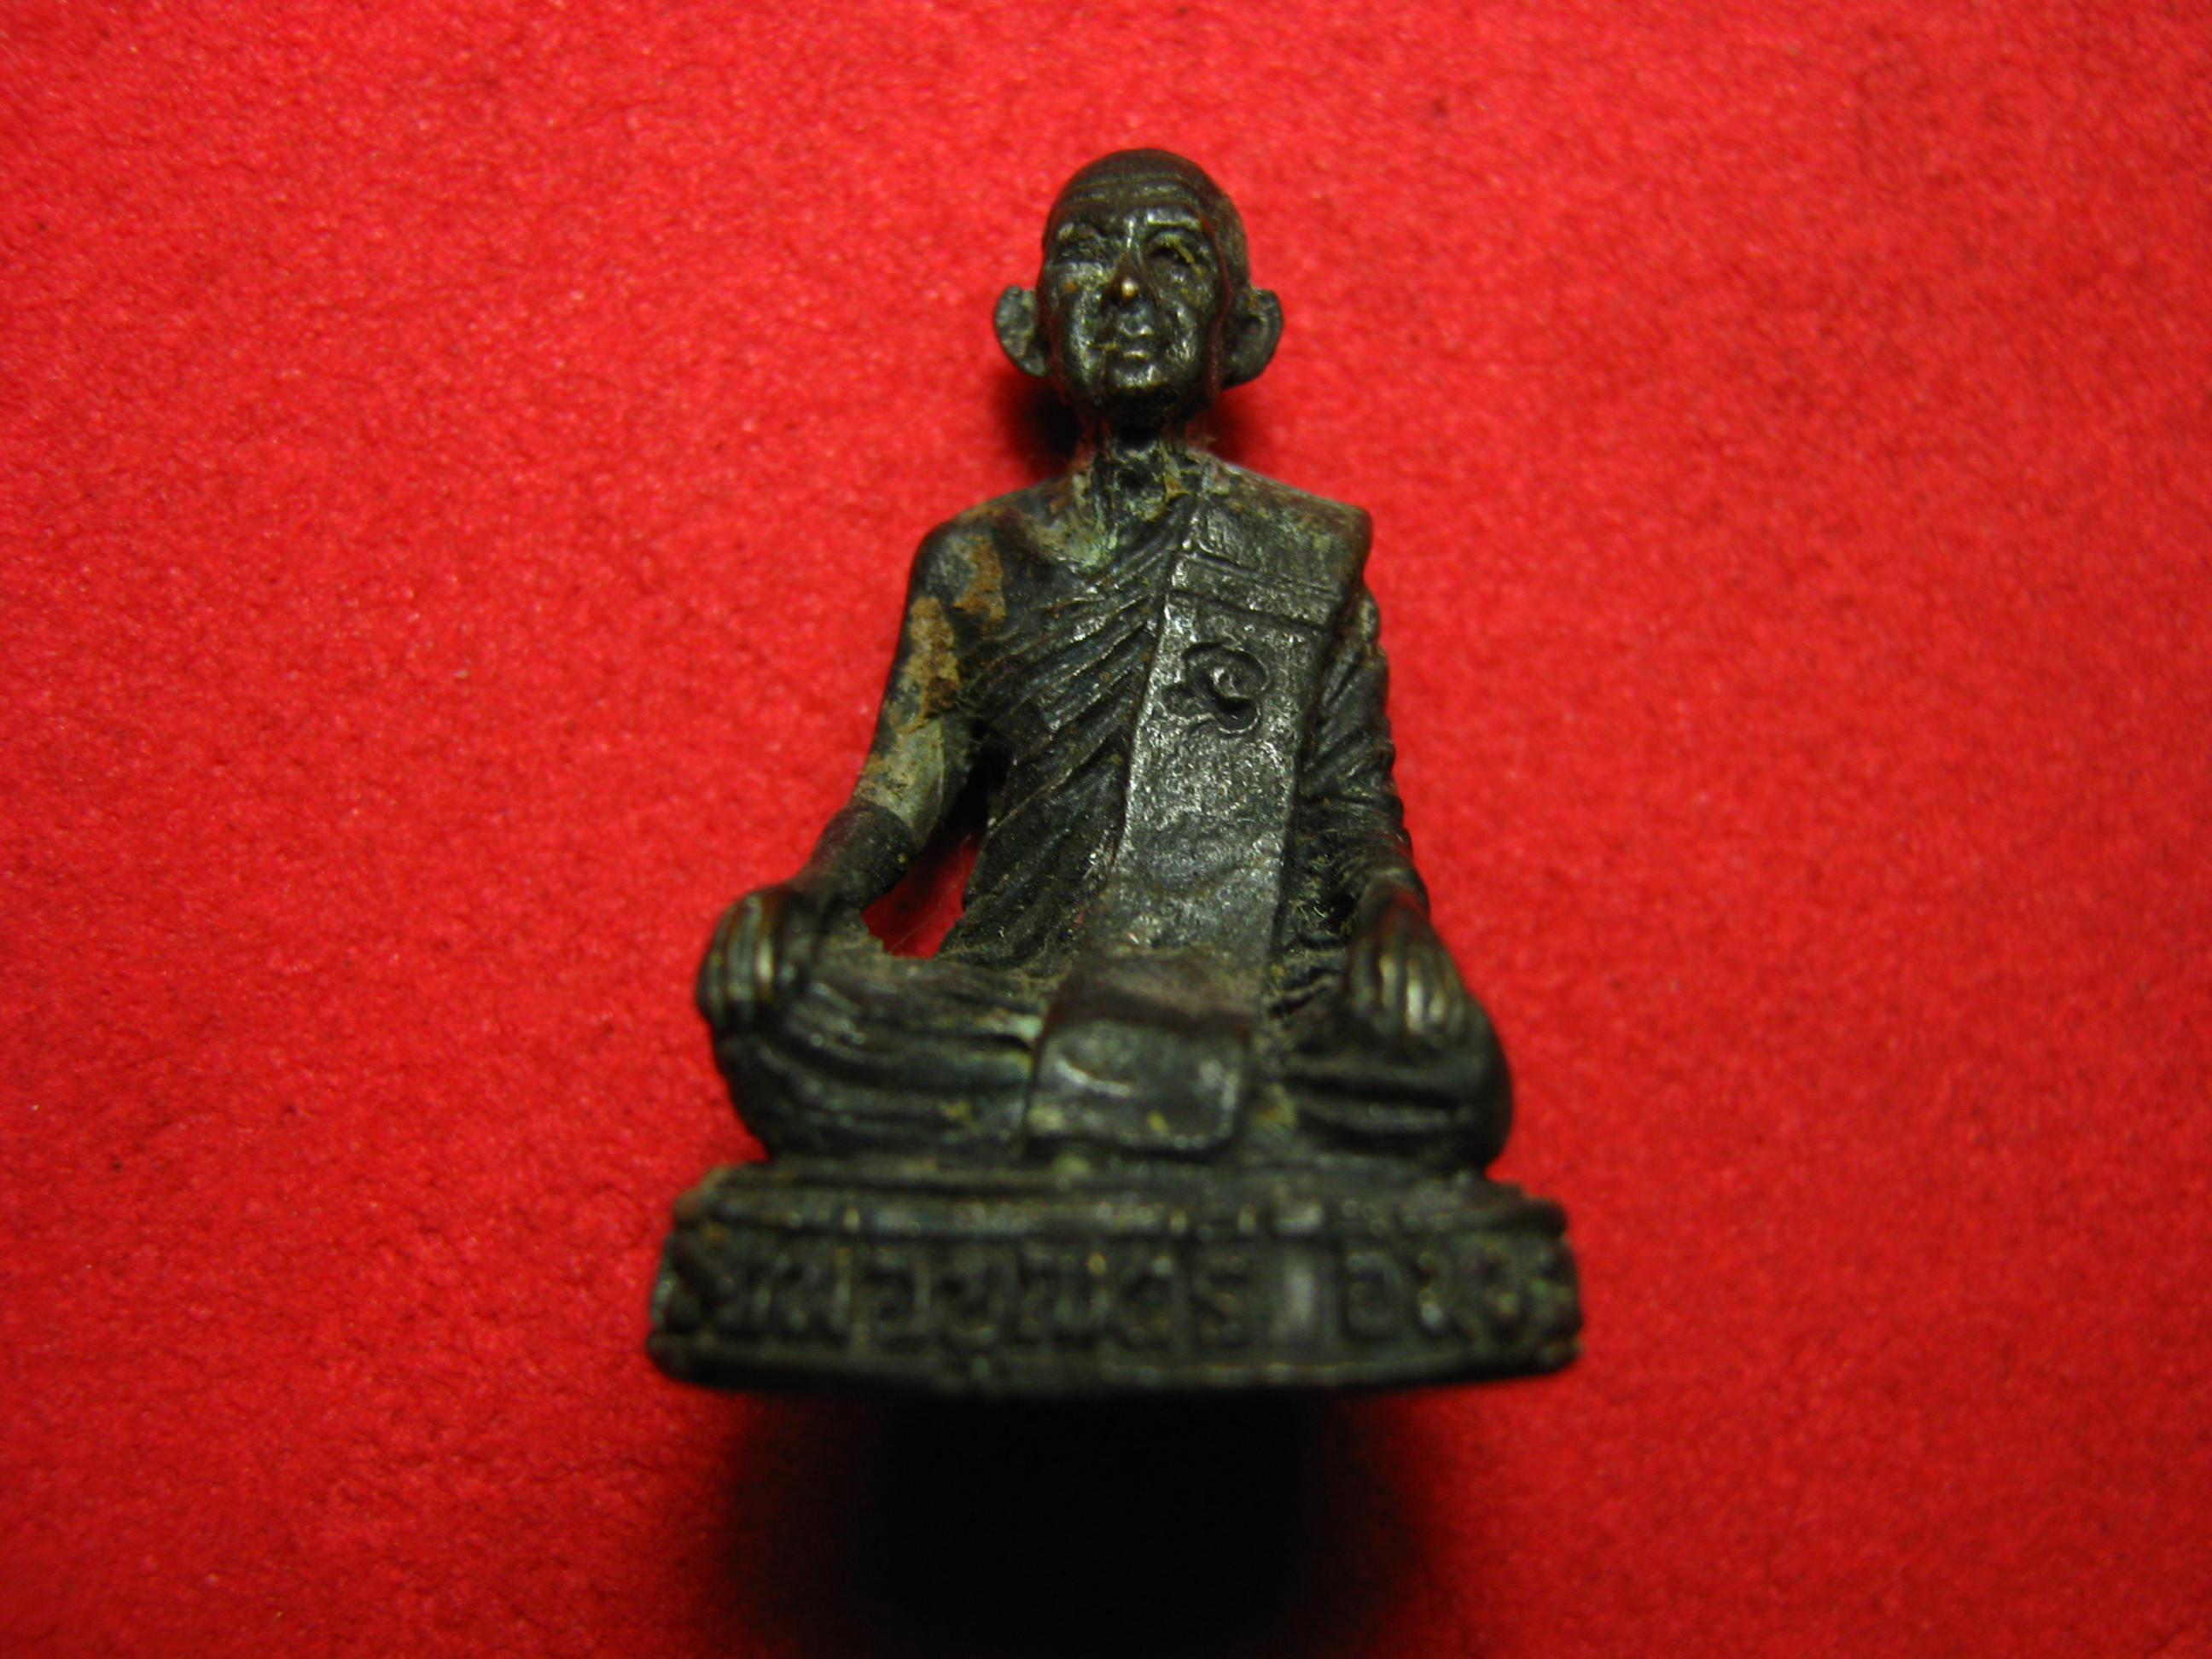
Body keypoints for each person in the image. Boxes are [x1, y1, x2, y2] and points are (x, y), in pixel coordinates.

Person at [696, 150, 1506, 1173]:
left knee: (1445, 1069)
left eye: (1173, 257)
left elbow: (1353, 810)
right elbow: (907, 783)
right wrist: (811, 898)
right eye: (1087, 255)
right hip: (1016, 986)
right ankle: (1174, 1135)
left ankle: (1066, 1127)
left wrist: (1397, 923)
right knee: (778, 1006)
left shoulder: (1301, 556)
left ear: (1244, 332)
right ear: (1028, 327)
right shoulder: (977, 559)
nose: (1127, 290)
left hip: (1247, 983)